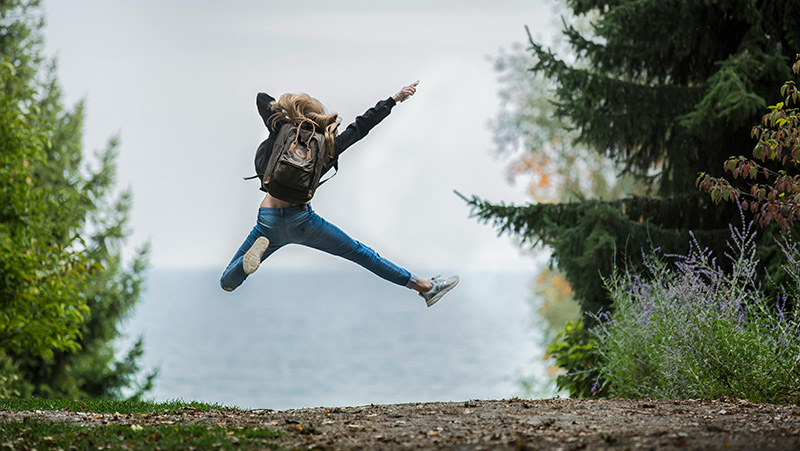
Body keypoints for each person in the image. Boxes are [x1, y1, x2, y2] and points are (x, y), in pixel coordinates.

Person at [220, 82, 459, 307]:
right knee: (361, 254)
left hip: (268, 221)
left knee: (227, 283)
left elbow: (262, 99)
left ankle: (244, 265)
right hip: (303, 222)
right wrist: (394, 99)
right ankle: (425, 287)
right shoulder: (326, 145)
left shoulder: (281, 130)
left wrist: (289, 115)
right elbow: (361, 127)